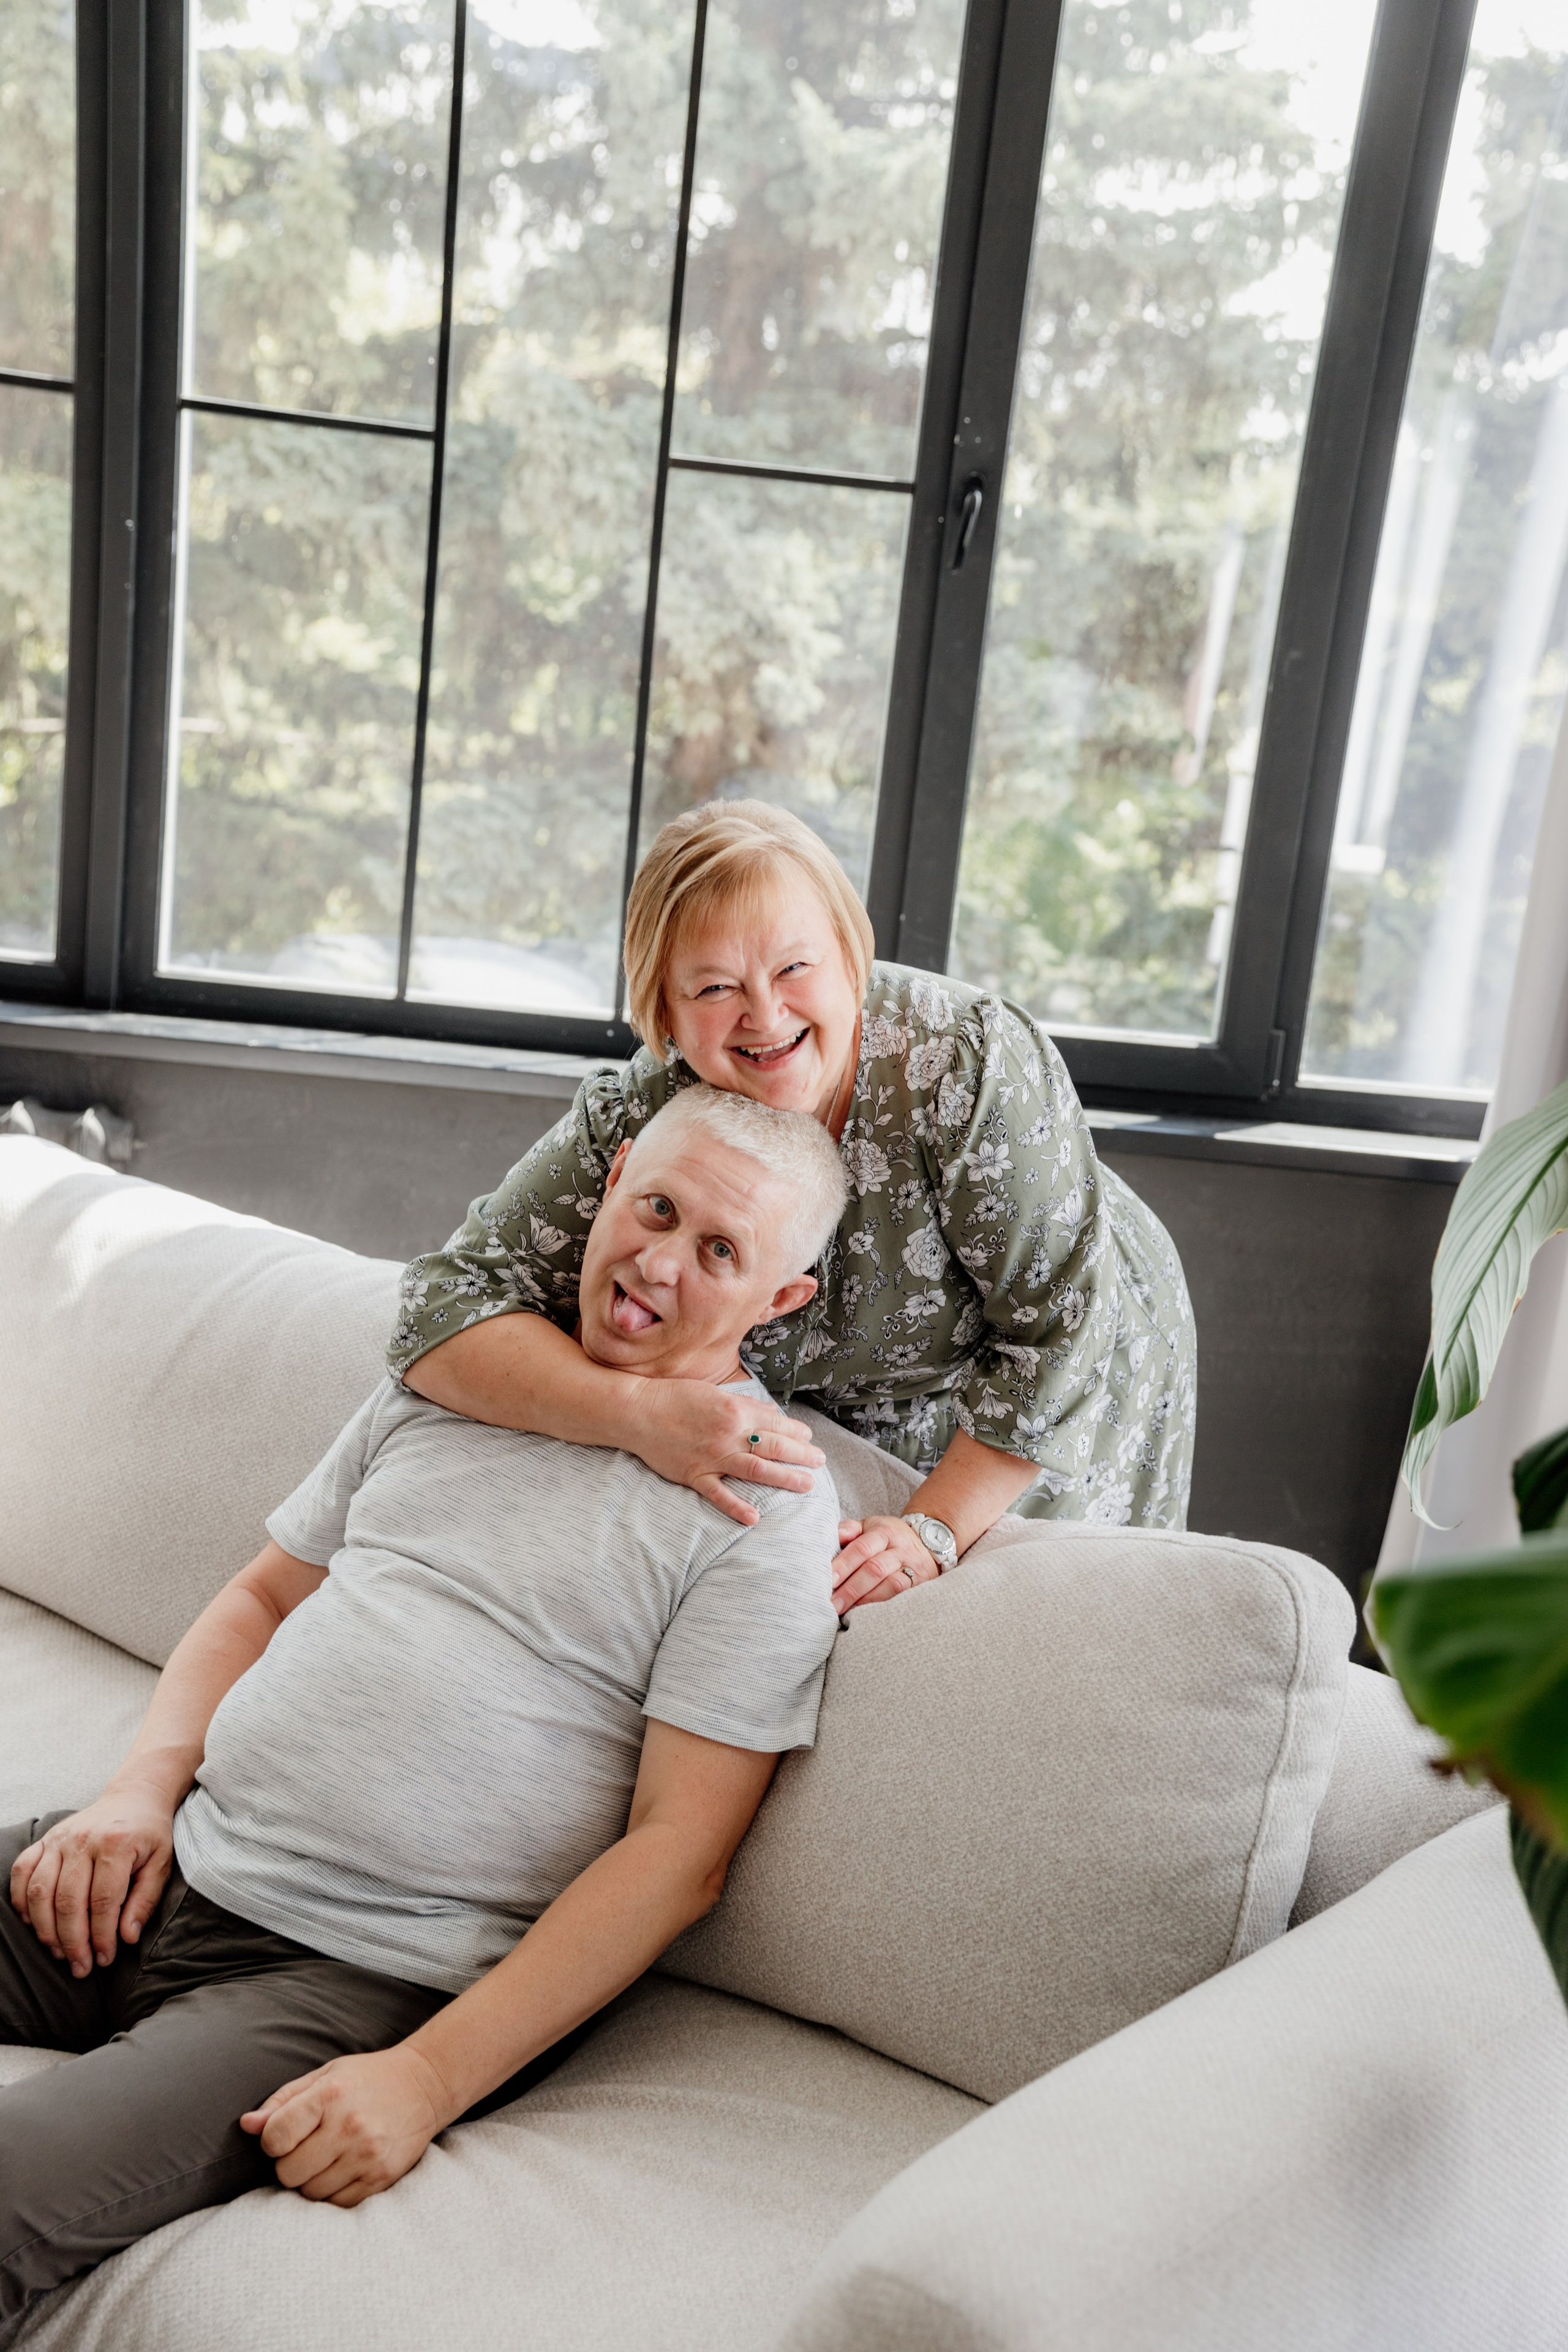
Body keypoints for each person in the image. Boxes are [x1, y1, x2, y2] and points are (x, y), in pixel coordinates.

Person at [1, 1087, 846, 2342]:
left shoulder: (764, 1510)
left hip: (348, 1980)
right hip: (175, 1862)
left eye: (719, 1251)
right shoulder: (465, 1379)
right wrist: (137, 1795)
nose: (661, 1262)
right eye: (655, 1208)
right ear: (611, 1182)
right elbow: (260, 1597)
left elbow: (681, 1856)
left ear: (780, 1299)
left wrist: (426, 2078)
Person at [391, 800, 1197, 1609]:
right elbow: (441, 1306)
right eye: (714, 987)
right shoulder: (642, 1113)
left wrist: (932, 1532)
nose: (766, 1016)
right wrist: (637, 1413)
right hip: (844, 1401)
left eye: (793, 969)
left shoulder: (965, 1065)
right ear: (664, 1012)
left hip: (1061, 1346)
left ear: (851, 957)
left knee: (1023, 1619)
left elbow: (1058, 1336)